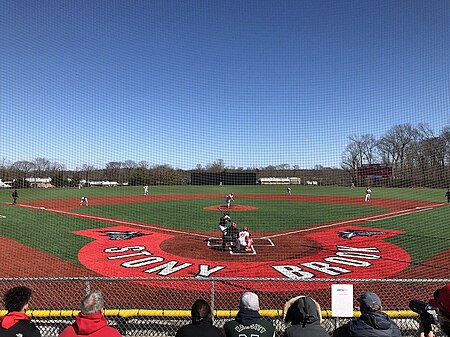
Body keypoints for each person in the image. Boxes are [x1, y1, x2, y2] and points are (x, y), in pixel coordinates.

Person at [332, 291, 401, 337]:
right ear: (381, 308)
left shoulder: (353, 326)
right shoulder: (394, 326)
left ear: (362, 309)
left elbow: (335, 334)